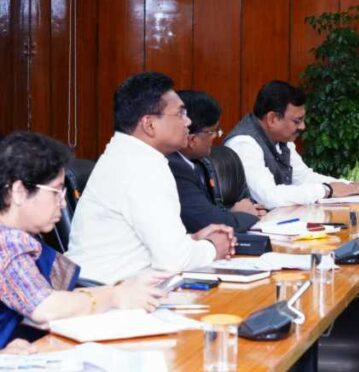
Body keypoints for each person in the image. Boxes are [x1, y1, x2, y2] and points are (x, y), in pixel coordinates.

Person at [0, 132, 165, 348]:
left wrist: (121, 289)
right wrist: (113, 295)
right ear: (19, 192)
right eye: (56, 192)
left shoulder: (24, 236)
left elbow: (55, 295)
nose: (62, 203)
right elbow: (45, 307)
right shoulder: (7, 242)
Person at [67, 73, 236, 283]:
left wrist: (192, 240)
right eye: (180, 114)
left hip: (113, 286)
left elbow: (148, 245)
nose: (188, 121)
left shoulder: (128, 156)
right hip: (109, 293)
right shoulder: (141, 167)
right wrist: (213, 247)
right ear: (149, 124)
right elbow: (174, 261)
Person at [225, 81, 359, 209]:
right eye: (297, 121)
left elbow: (303, 177)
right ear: (272, 119)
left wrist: (350, 186)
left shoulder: (282, 139)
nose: (303, 127)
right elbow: (269, 197)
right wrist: (327, 190)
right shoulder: (243, 144)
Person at [169, 90, 263, 234]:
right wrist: (248, 215)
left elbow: (207, 211)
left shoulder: (198, 163)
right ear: (192, 140)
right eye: (212, 132)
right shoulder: (175, 167)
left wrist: (232, 213)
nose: (216, 137)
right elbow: (209, 222)